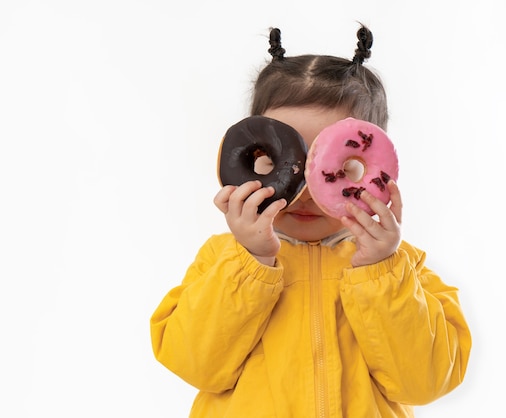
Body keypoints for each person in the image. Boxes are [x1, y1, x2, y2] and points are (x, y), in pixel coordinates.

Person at [150, 24, 471, 418]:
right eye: (278, 162)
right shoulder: (223, 260)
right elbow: (192, 363)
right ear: (253, 158)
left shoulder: (405, 269)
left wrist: (380, 273)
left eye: (338, 167)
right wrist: (251, 263)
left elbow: (426, 382)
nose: (304, 190)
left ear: (373, 168)